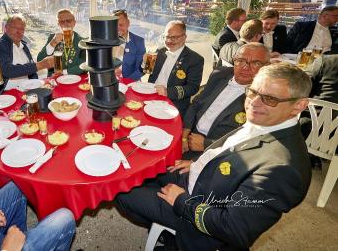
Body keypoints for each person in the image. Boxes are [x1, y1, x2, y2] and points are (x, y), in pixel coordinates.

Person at [116, 63, 312, 251]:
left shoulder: (284, 169)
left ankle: (176, 238)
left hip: (197, 213)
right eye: (252, 92)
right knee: (142, 167)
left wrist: (182, 202)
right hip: (199, 177)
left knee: (120, 192)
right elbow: (229, 151)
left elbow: (234, 229)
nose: (254, 103)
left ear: (299, 106)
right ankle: (164, 229)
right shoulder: (267, 120)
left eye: (270, 99)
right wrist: (197, 163)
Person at [183, 43, 270, 160]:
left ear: (266, 66)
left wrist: (206, 144)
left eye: (256, 63)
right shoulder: (219, 74)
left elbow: (250, 141)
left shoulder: (264, 99)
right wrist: (184, 136)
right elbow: (196, 104)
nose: (245, 67)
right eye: (240, 60)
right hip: (188, 134)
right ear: (234, 60)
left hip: (218, 154)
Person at [0, 14, 54, 98]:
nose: (19, 32)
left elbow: (31, 72)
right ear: (6, 28)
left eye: (22, 29)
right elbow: (7, 71)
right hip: (5, 95)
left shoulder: (24, 46)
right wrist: (41, 65)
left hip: (26, 92)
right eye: (15, 28)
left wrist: (37, 85)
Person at [148, 21, 204, 116]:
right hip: (151, 96)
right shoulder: (160, 51)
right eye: (167, 37)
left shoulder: (195, 59)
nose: (169, 41)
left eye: (174, 37)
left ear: (184, 37)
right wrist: (144, 64)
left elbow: (193, 87)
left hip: (173, 103)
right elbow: (148, 71)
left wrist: (168, 92)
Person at [37, 9, 85, 76]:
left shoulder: (82, 42)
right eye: (62, 21)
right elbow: (39, 59)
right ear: (58, 24)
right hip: (55, 81)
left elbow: (84, 65)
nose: (65, 24)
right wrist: (53, 43)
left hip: (74, 79)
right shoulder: (52, 38)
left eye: (68, 21)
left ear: (74, 23)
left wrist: (63, 72)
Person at [112, 9, 146, 81]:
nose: (118, 29)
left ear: (128, 23)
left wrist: (127, 81)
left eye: (121, 25)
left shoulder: (139, 42)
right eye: (114, 25)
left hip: (131, 82)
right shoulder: (105, 41)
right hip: (109, 80)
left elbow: (141, 69)